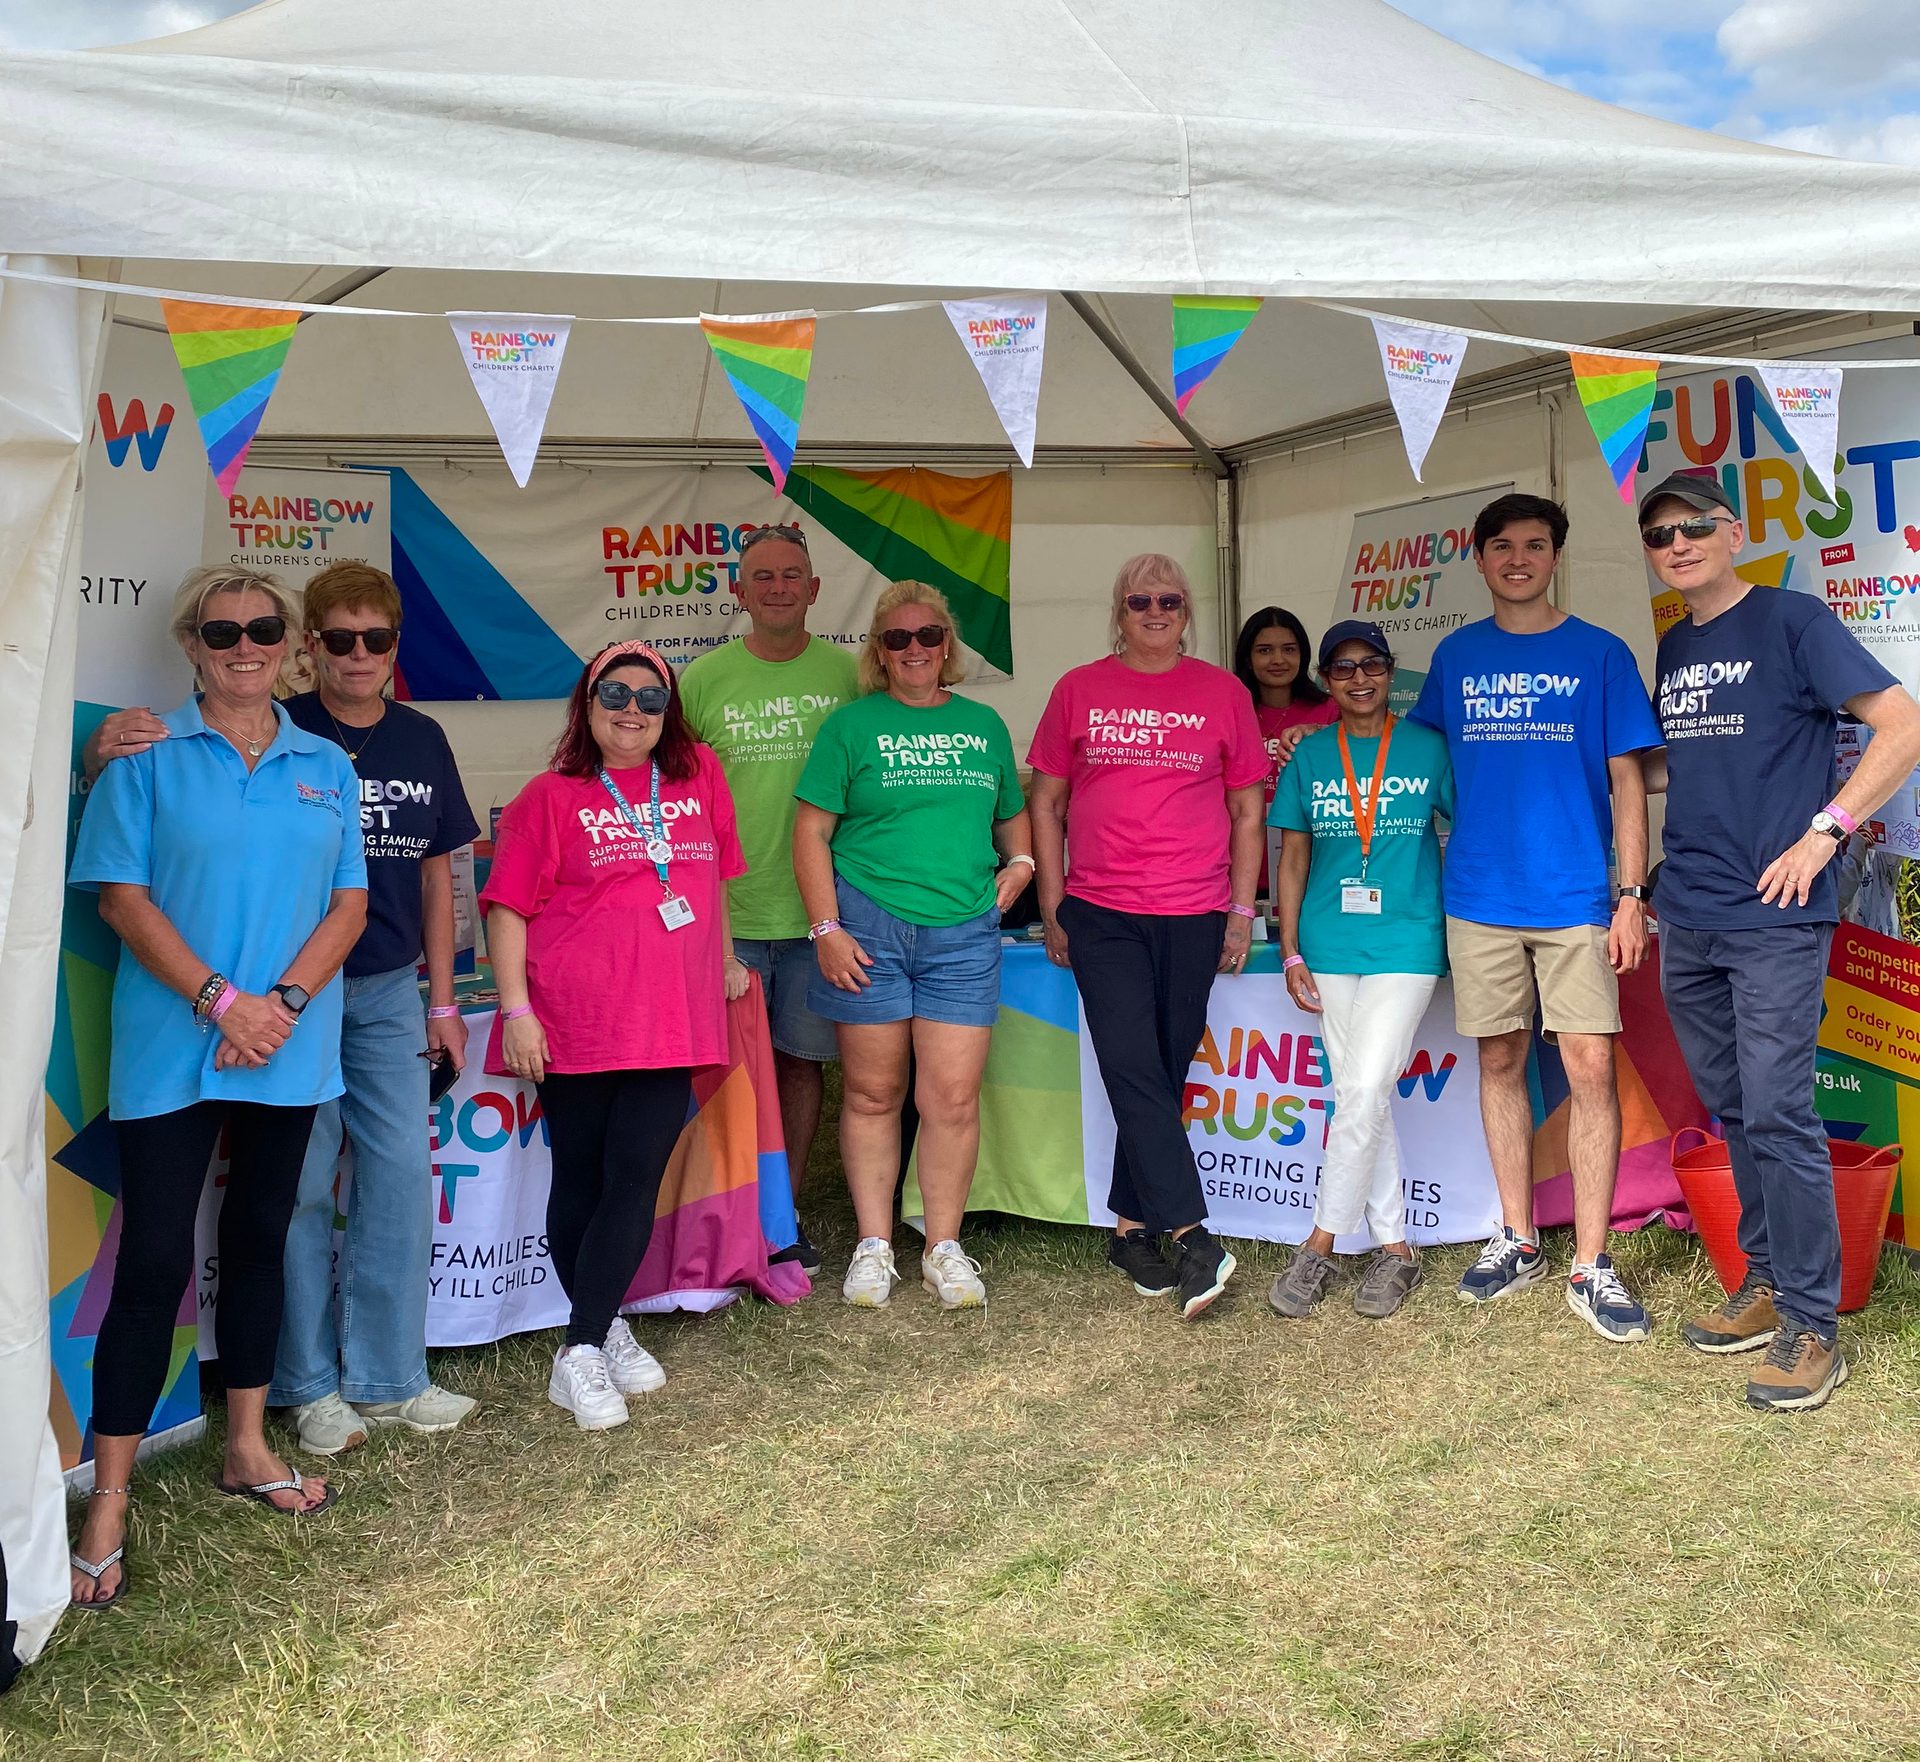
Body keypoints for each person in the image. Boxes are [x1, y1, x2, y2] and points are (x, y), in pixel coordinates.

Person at [85, 563, 484, 1458]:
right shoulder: (222, 737)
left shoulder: (382, 747)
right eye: (335, 639)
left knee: (357, 1193)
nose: (246, 650)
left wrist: (430, 996)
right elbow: (127, 874)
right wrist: (234, 1003)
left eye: (374, 640)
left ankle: (378, 1384)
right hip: (225, 1016)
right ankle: (293, 1397)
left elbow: (411, 882)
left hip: (351, 997)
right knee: (242, 1221)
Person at [65, 567, 367, 1607]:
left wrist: (277, 1003)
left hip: (289, 1037)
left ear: (289, 644)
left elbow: (349, 905)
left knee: (260, 1241)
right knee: (152, 1261)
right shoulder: (144, 763)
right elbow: (120, 901)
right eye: (222, 629)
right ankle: (107, 1495)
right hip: (171, 1044)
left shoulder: (327, 763)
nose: (245, 645)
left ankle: (245, 1444)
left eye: (263, 628)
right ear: (192, 645)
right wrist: (222, 1001)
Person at [1639, 470, 1920, 1411]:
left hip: (1775, 919)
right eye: (1659, 534)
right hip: (1691, 914)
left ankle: (1813, 1324)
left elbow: (1902, 724)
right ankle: (1762, 1283)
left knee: (1780, 1112)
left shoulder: (1794, 621)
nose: (1677, 544)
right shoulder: (1674, 644)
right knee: (1737, 1111)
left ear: (1731, 532)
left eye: (1692, 528)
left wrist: (1825, 833)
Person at [1409, 492, 1662, 1341]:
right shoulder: (1455, 655)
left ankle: (1592, 1261)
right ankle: (1517, 1237)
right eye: (1503, 546)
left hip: (1576, 898)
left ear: (1557, 557)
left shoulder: (1600, 654)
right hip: (1479, 894)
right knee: (1500, 1060)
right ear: (1478, 560)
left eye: (1537, 545)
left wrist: (1631, 894)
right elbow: (1415, 758)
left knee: (1590, 1068)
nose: (1519, 558)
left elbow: (1630, 780)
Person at [481, 641, 748, 1430]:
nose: (631, 710)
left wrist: (726, 961)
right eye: (614, 693)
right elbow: (505, 909)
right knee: (584, 1183)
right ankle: (601, 1334)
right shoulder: (550, 796)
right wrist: (517, 1009)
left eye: (649, 697)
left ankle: (585, 1343)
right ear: (587, 703)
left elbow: (712, 883)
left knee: (635, 1179)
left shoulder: (700, 775)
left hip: (674, 1015)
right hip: (578, 1018)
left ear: (669, 711)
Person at [1028, 554, 1268, 1320]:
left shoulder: (1223, 693)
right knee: (1132, 1066)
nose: (1155, 610)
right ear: (1119, 610)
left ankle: (1132, 1230)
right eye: (1140, 600)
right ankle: (1197, 1236)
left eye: (1169, 599)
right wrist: (1054, 901)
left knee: (1159, 1072)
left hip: (1196, 912)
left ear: (1188, 611)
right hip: (1103, 910)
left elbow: (1247, 814)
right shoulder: (1078, 689)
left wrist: (1239, 911)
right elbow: (1047, 802)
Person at [793, 582, 1030, 1310]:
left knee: (951, 1098)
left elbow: (1010, 817)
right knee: (871, 1093)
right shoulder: (849, 726)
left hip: (962, 931)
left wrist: (1021, 865)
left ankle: (942, 1247)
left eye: (929, 636)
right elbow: (810, 833)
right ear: (878, 652)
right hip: (867, 927)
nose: (916, 649)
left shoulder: (985, 724)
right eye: (899, 639)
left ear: (947, 645)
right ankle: (873, 1246)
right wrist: (827, 930)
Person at [681, 524, 859, 1274]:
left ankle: (778, 1212)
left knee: (800, 1063)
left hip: (822, 915)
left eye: (793, 575)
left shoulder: (851, 676)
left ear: (814, 590)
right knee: (722, 1071)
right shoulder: (701, 680)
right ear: (739, 590)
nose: (779, 587)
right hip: (730, 914)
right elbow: (677, 793)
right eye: (764, 577)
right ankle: (727, 1211)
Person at [1267, 621, 1453, 1320]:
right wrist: (1289, 949)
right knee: (1359, 1095)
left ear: (1388, 671)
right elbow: (1292, 858)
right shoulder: (1311, 757)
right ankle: (1397, 1247)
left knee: (1368, 1083)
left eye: (1371, 665)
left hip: (1407, 937)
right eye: (1342, 669)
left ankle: (1319, 1242)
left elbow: (1472, 825)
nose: (1359, 679)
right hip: (1328, 943)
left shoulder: (1429, 748)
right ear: (1327, 679)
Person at [1233, 605, 1337, 807]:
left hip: (1310, 830)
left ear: (1302, 655)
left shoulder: (1330, 710)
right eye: (1265, 651)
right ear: (1247, 659)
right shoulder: (1230, 711)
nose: (1278, 660)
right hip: (1243, 830)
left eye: (1289, 649)